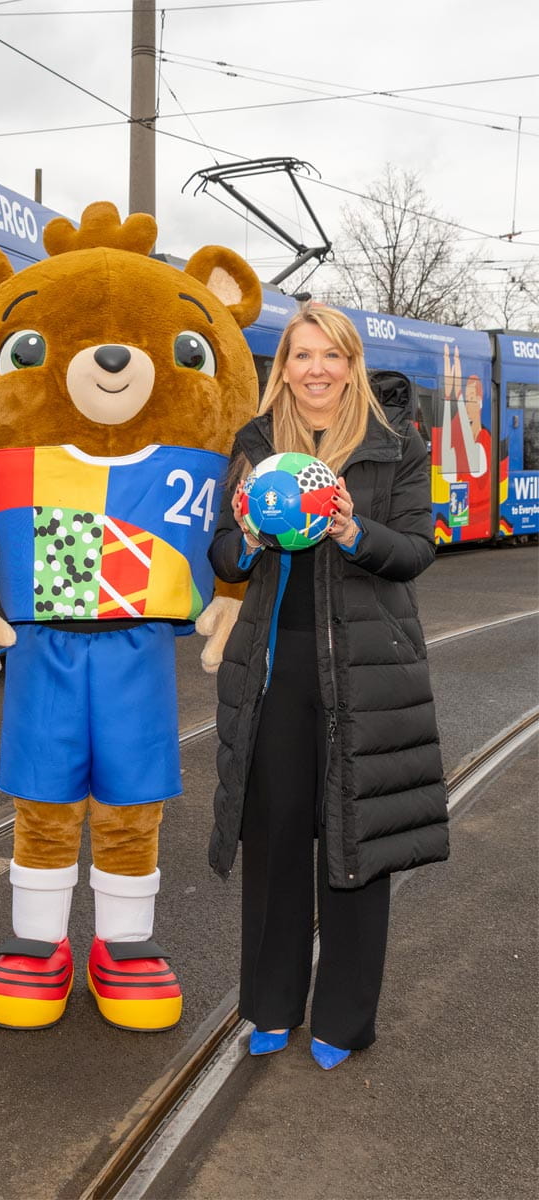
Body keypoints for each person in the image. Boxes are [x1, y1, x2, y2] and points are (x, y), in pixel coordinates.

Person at [209, 306, 449, 1070]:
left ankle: (345, 1019)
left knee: (355, 843)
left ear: (351, 363)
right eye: (301, 355)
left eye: (330, 356)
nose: (315, 369)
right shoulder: (254, 444)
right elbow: (220, 550)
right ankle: (273, 1007)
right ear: (283, 366)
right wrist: (243, 540)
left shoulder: (394, 445)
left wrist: (352, 532)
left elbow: (417, 550)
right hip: (276, 671)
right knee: (275, 839)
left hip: (366, 672)